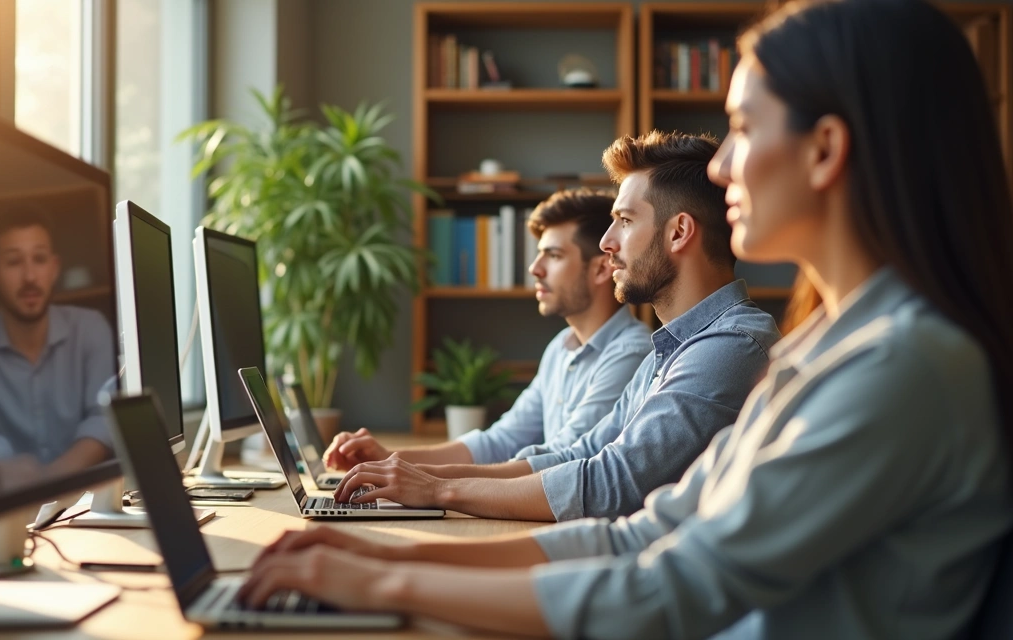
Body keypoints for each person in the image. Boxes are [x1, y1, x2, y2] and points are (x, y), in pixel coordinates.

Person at [236, 1, 1013, 636]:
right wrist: (375, 564)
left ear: (825, 150)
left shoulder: (899, 366)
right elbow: (640, 536)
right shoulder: (824, 352)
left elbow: (670, 587)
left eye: (743, 127)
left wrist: (389, 579)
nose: (718, 166)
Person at [332, 132, 781, 523]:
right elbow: (577, 454)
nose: (608, 243)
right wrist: (418, 477)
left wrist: (436, 491)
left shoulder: (731, 346)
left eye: (624, 221)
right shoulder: (668, 352)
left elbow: (614, 481)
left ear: (679, 232)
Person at [326, 189, 652, 468]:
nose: (534, 269)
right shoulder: (560, 348)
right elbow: (501, 440)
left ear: (599, 269)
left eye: (553, 256)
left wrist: (425, 481)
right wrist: (390, 459)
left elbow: (565, 457)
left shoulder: (630, 354)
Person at [0, 207, 116, 489]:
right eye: (13, 262)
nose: (30, 276)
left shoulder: (90, 328)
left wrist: (48, 482)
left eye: (40, 259)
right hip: (6, 511)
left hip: (83, 503)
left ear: (54, 268)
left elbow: (105, 418)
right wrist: (7, 469)